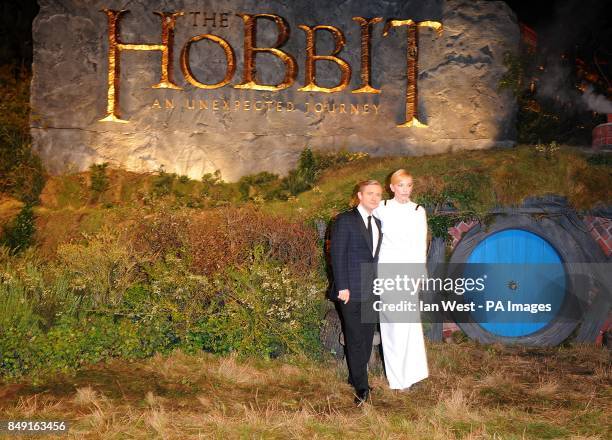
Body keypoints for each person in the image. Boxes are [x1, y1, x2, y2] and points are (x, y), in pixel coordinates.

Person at [329, 179, 383, 406]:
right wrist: (342, 287)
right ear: (359, 196)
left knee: (367, 336)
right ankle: (362, 387)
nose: (374, 197)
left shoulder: (378, 223)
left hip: (371, 289)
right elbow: (336, 256)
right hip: (349, 290)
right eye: (369, 193)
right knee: (355, 338)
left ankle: (354, 376)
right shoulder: (344, 220)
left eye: (378, 194)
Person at [374, 169, 429, 390]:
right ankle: (397, 380)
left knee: (409, 324)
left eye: (409, 185)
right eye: (401, 185)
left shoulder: (418, 210)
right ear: (392, 187)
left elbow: (419, 244)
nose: (405, 189)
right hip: (387, 271)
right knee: (392, 326)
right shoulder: (381, 208)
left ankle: (413, 373)